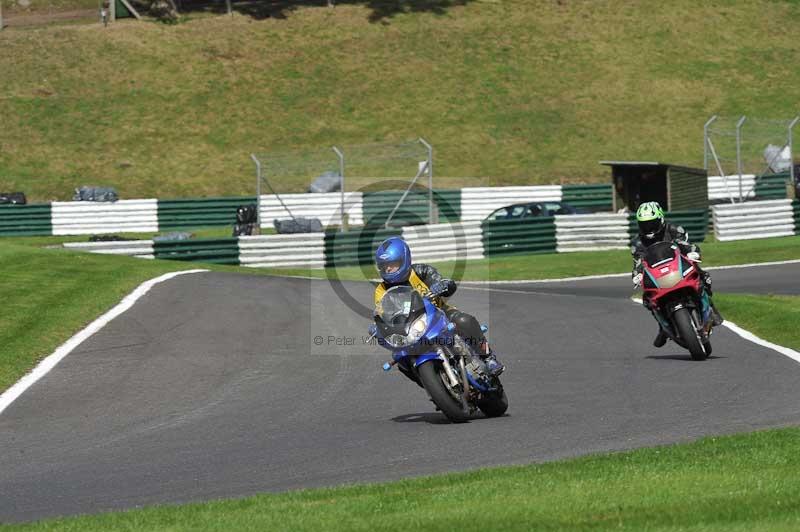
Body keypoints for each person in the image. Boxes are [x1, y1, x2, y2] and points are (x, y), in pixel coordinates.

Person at [373, 236, 504, 376]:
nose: (388, 269)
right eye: (384, 266)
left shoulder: (420, 271)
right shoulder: (381, 290)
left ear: (404, 260)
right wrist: (379, 325)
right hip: (412, 329)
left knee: (464, 321)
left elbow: (443, 282)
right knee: (401, 359)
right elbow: (382, 312)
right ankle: (432, 386)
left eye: (392, 264)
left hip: (440, 314)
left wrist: (441, 285)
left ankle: (488, 357)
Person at [631, 201, 723, 348]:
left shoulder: (674, 229)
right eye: (644, 225)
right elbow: (638, 262)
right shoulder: (637, 242)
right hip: (657, 273)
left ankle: (711, 309)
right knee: (647, 299)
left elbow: (686, 244)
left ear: (660, 219)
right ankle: (663, 326)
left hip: (678, 265)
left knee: (704, 277)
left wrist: (693, 252)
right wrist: (637, 274)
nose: (648, 228)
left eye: (652, 224)